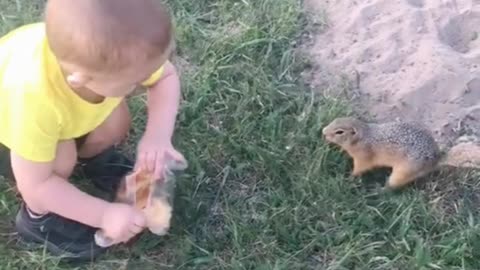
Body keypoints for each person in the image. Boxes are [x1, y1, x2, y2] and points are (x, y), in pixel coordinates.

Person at [0, 0, 185, 261]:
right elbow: (37, 185)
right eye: (133, 82)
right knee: (60, 161)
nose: (140, 84)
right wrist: (104, 215)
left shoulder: (106, 56)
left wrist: (157, 136)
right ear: (81, 79)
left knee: (116, 122)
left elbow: (165, 77)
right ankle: (37, 219)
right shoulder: (34, 98)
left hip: (61, 114)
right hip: (8, 133)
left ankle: (90, 158)